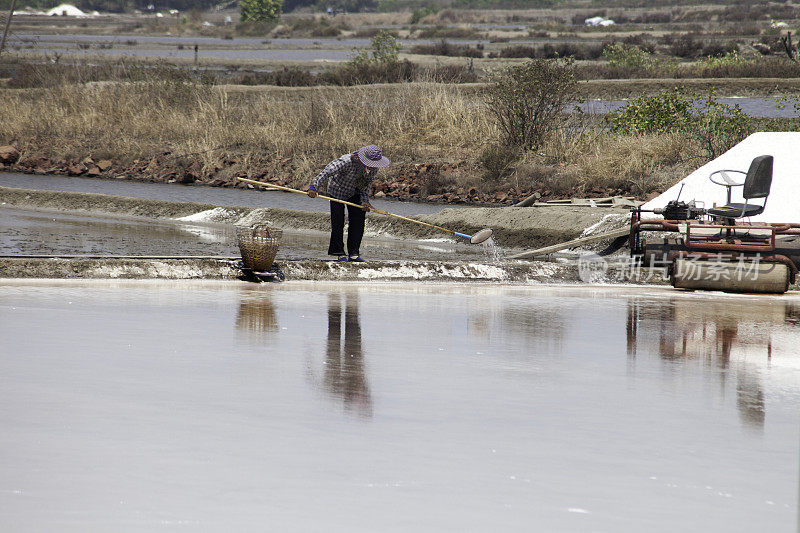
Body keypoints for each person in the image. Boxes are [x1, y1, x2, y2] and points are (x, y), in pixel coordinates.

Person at [307, 144, 390, 262]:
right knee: (338, 222)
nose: (372, 167)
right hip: (338, 190)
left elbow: (366, 184)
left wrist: (364, 201)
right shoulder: (346, 161)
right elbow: (327, 171)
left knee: (358, 220)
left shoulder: (372, 168)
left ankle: (354, 253)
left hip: (355, 192)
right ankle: (339, 253)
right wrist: (314, 186)